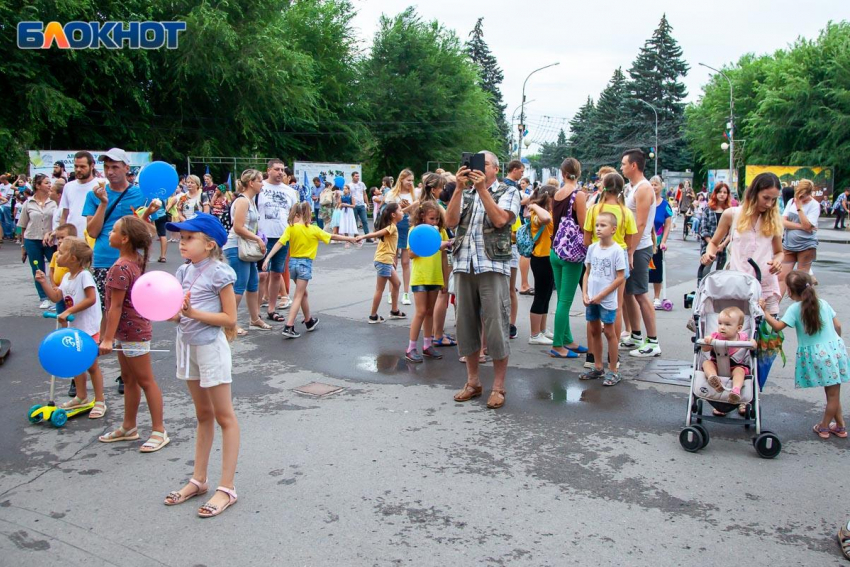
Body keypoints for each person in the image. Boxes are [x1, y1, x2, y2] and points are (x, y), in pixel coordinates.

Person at [163, 212, 241, 517]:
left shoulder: (220, 272)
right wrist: (173, 312)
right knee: (203, 414)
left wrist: (192, 313)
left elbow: (229, 319)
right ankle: (199, 479)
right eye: (180, 238)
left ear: (209, 244)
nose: (181, 243)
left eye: (188, 238)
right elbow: (177, 314)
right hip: (187, 347)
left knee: (225, 417)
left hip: (211, 349)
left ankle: (227, 488)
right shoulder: (183, 272)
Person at [445, 151, 520, 410]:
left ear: (495, 170)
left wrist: (482, 190)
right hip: (464, 264)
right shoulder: (464, 192)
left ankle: (498, 387)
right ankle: (473, 382)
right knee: (465, 325)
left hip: (493, 265)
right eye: (471, 163)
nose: (475, 168)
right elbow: (450, 221)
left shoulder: (508, 191)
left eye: (483, 164)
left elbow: (500, 220)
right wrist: (458, 188)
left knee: (496, 327)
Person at [97, 216, 168, 453]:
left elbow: (114, 307)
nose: (109, 233)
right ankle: (129, 426)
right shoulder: (132, 261)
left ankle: (159, 430)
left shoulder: (120, 267)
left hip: (133, 332)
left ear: (125, 238)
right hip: (128, 331)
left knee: (145, 380)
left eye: (114, 230)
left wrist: (106, 338)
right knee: (128, 379)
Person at [761, 270, 849, 439]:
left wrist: (764, 312)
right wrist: (835, 341)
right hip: (834, 350)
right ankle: (840, 426)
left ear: (791, 291)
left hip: (817, 355)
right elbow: (837, 326)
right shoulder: (822, 303)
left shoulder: (795, 309)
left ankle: (825, 427)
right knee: (833, 392)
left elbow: (778, 327)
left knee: (832, 393)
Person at [35, 238, 106, 417]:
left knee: (91, 365)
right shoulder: (67, 277)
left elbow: (91, 299)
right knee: (77, 363)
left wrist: (69, 312)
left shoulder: (85, 276)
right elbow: (56, 296)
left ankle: (100, 401)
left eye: (61, 251)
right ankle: (81, 396)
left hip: (89, 328)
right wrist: (44, 282)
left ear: (73, 258)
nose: (57, 254)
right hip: (76, 327)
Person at [264, 203, 355, 338]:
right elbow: (332, 237)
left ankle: (309, 321)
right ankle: (289, 326)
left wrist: (268, 258)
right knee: (298, 295)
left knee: (303, 294)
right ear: (308, 214)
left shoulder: (291, 228)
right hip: (304, 265)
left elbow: (280, 243)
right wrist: (350, 238)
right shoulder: (313, 229)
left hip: (293, 264)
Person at [702, 172, 783, 316]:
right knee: (736, 332)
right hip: (737, 283)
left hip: (765, 283)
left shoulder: (774, 219)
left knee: (767, 335)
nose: (769, 204)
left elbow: (779, 252)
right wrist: (709, 253)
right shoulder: (731, 214)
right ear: (754, 193)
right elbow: (714, 243)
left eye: (774, 200)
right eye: (766, 198)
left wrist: (777, 261)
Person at [582, 172, 637, 368]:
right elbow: (630, 242)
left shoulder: (595, 209)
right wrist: (628, 255)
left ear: (603, 187)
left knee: (591, 307)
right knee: (616, 306)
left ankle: (591, 356)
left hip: (597, 256)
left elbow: (586, 238)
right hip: (618, 255)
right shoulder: (625, 212)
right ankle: (614, 357)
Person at [620, 148, 660, 358]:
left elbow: (642, 223)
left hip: (639, 247)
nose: (621, 167)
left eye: (624, 164)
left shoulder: (644, 188)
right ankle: (635, 335)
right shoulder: (632, 187)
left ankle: (652, 341)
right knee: (628, 292)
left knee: (641, 294)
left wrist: (631, 251)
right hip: (630, 247)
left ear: (634, 166)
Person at [547, 158, 589, 359]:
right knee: (565, 300)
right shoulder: (578, 195)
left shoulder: (557, 194)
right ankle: (557, 345)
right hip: (572, 253)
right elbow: (584, 224)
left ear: (562, 174)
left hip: (555, 250)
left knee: (562, 298)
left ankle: (567, 339)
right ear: (578, 173)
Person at [580, 212, 626, 385]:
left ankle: (613, 369)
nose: (598, 228)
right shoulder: (592, 248)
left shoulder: (617, 251)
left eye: (603, 225)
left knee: (609, 332)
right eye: (597, 225)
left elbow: (620, 277)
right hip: (592, 299)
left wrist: (601, 295)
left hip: (606, 300)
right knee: (594, 331)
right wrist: (585, 293)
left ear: (613, 229)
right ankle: (598, 366)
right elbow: (587, 273)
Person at [223, 169, 270, 336]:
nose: (262, 184)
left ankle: (254, 318)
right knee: (239, 286)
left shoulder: (250, 201)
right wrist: (257, 239)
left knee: (253, 283)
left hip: (246, 247)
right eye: (259, 181)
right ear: (251, 183)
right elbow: (238, 227)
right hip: (237, 246)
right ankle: (229, 323)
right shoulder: (242, 201)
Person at [404, 201, 450, 362]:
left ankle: (427, 345)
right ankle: (411, 347)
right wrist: (434, 244)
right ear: (422, 216)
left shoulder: (442, 232)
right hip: (421, 276)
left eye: (437, 219)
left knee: (430, 311)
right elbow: (411, 254)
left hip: (435, 276)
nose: (435, 222)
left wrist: (445, 280)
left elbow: (445, 258)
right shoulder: (415, 231)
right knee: (421, 311)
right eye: (432, 218)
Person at [257, 159, 298, 321]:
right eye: (277, 169)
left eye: (282, 170)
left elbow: (294, 216)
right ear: (269, 170)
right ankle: (256, 311)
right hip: (262, 237)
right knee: (261, 275)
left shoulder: (289, 191)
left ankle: (272, 309)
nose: (280, 172)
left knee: (276, 274)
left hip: (283, 238)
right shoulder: (260, 188)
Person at [359, 202, 406, 323]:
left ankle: (394, 311)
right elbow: (377, 234)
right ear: (393, 215)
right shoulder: (391, 227)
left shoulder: (391, 226)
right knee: (380, 289)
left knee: (397, 284)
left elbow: (387, 245)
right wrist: (363, 237)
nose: (402, 212)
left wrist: (392, 261)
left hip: (385, 260)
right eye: (400, 210)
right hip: (383, 261)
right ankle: (373, 316)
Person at [700, 306, 756, 403]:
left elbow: (752, 346)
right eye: (720, 323)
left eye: (727, 324)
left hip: (735, 366)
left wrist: (753, 342)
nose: (722, 327)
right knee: (706, 363)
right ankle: (713, 378)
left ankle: (736, 390)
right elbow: (704, 349)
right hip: (716, 365)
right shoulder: (715, 336)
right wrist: (707, 342)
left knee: (740, 371)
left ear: (738, 328)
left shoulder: (742, 338)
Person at [17, 173, 57, 309]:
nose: (49, 185)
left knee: (56, 267)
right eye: (46, 183)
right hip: (32, 240)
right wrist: (23, 246)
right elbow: (21, 226)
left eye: (50, 183)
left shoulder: (55, 202)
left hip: (51, 241)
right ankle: (44, 297)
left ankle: (57, 294)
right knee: (37, 269)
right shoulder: (28, 203)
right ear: (37, 185)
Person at [525, 184, 556, 345]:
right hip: (540, 257)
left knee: (547, 295)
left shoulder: (547, 211)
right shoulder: (536, 212)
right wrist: (535, 204)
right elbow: (546, 220)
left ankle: (542, 330)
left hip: (549, 257)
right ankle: (534, 334)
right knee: (540, 295)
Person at [779, 180, 820, 298]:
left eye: (803, 196)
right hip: (789, 245)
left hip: (806, 246)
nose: (800, 198)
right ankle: (774, 310)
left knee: (802, 280)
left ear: (809, 193)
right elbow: (783, 222)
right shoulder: (792, 201)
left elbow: (808, 226)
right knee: (782, 277)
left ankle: (808, 309)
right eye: (798, 194)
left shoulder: (814, 205)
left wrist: (800, 208)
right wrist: (801, 226)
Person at [384, 170, 418, 306]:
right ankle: (391, 293)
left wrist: (409, 208)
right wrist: (407, 207)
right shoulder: (392, 194)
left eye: (412, 180)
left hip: (408, 226)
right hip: (394, 227)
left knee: (405, 262)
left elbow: (416, 212)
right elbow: (389, 213)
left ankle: (405, 294)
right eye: (408, 180)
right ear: (401, 179)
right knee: (393, 261)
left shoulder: (414, 194)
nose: (410, 183)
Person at [648, 175, 673, 308]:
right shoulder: (645, 202)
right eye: (651, 184)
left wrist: (663, 241)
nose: (653, 187)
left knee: (657, 270)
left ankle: (657, 297)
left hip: (657, 243)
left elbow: (667, 224)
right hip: (645, 241)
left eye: (656, 185)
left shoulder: (665, 205)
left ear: (661, 187)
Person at [699, 182, 732, 274]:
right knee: (705, 271)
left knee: (721, 274)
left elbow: (732, 231)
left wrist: (723, 245)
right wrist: (712, 244)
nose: (722, 195)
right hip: (708, 245)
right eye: (720, 192)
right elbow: (704, 230)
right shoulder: (708, 209)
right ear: (715, 193)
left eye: (725, 192)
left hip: (724, 247)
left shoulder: (730, 211)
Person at [349, 171, 370, 239]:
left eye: (358, 176)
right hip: (354, 205)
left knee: (364, 220)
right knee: (355, 221)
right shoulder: (349, 185)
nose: (357, 177)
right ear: (352, 177)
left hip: (361, 204)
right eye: (356, 176)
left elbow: (364, 194)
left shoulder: (362, 184)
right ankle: (356, 235)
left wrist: (367, 203)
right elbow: (348, 195)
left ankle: (367, 236)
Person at [0, 173, 14, 240]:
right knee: (2, 220)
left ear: (4, 179)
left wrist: (2, 200)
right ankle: (4, 234)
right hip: (1, 204)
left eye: (1, 179)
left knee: (8, 220)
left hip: (7, 205)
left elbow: (8, 197)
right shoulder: (1, 185)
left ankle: (10, 234)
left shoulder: (10, 186)